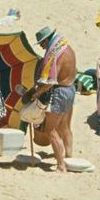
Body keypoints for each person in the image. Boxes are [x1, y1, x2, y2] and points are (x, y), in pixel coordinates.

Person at [33, 26, 78, 172]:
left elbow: (50, 81)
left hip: (60, 92)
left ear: (47, 39)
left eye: (41, 43)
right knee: (64, 127)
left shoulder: (55, 55)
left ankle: (61, 165)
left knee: (50, 130)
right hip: (70, 89)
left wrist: (36, 93)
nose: (41, 46)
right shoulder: (66, 48)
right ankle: (70, 159)